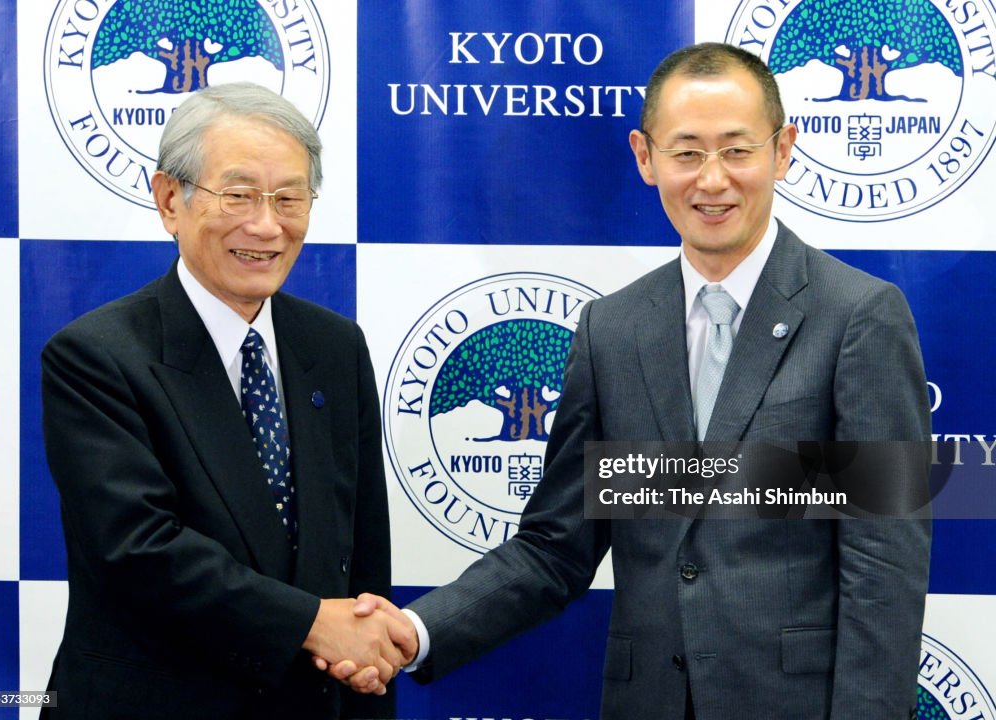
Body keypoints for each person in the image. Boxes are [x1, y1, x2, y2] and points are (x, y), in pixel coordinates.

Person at [326, 43, 932, 719]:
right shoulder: (611, 332)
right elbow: (557, 548)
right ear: (646, 158)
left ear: (783, 150)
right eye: (687, 152)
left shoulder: (860, 317)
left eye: (737, 150)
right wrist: (416, 630)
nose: (712, 180)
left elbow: (885, 561)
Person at [40, 82, 413, 719]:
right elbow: (139, 550)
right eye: (238, 195)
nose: (266, 225)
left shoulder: (335, 346)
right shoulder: (95, 356)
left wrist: (365, 668)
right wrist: (310, 624)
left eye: (289, 198)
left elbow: (362, 556)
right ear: (169, 200)